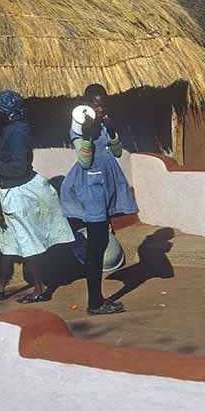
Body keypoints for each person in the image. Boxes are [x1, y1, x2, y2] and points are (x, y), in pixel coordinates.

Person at [0, 91, 74, 303]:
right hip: (12, 190)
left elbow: (19, 168)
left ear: (10, 114)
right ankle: (0, 285)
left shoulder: (18, 133)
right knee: (8, 239)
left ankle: (40, 288)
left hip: (20, 192)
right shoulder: (11, 125)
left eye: (1, 112)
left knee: (25, 240)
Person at [60, 84, 139, 315]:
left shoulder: (103, 124)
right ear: (85, 103)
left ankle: (97, 299)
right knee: (96, 246)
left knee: (101, 242)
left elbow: (116, 152)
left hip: (106, 185)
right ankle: (94, 302)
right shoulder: (79, 126)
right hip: (91, 188)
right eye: (94, 102)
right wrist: (87, 133)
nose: (98, 106)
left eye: (102, 102)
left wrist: (111, 127)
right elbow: (84, 162)